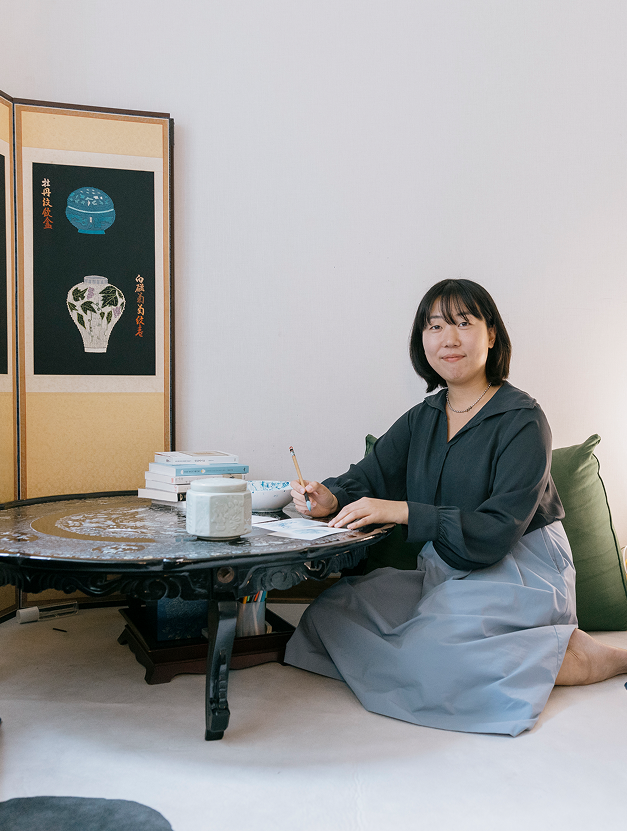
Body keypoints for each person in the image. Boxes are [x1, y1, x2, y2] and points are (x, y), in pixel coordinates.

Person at [286, 278, 627, 736]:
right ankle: (534, 650)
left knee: (437, 652)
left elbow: (498, 530)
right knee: (331, 613)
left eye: (464, 323)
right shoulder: (422, 417)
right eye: (435, 326)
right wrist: (329, 497)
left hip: (520, 568)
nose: (448, 339)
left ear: (492, 335)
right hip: (446, 567)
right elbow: (367, 477)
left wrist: (405, 511)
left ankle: (593, 655)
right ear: (422, 340)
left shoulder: (524, 419)